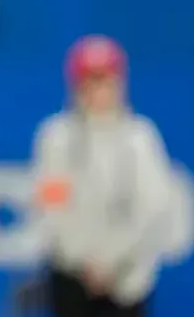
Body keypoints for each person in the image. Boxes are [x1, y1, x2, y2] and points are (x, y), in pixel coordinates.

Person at [33, 35, 173, 317]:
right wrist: (81, 259)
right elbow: (51, 204)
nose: (98, 91)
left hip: (128, 282)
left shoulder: (140, 138)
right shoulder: (56, 137)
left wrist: (113, 261)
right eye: (89, 81)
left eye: (105, 80)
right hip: (73, 277)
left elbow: (153, 208)